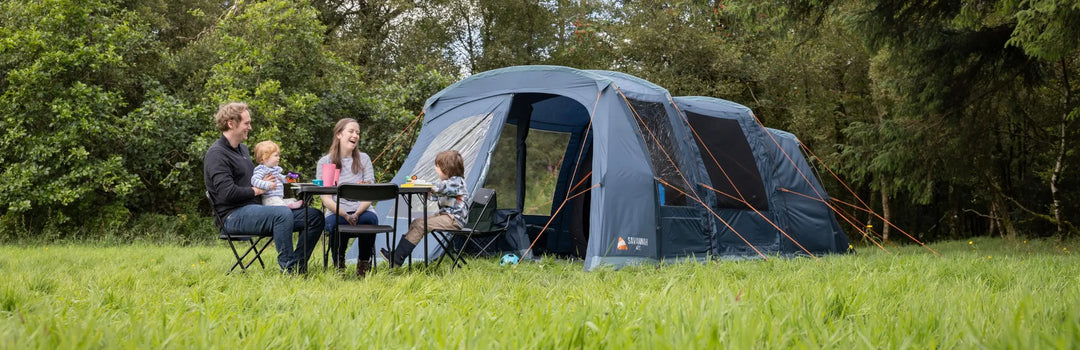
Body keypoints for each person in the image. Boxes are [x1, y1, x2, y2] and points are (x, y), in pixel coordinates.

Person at [203, 102, 323, 273]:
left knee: (314, 216)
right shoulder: (217, 154)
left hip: (257, 209)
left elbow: (254, 179)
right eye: (246, 123)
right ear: (231, 123)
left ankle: (298, 266)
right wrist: (257, 190)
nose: (250, 127)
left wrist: (270, 183)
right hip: (232, 216)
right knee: (281, 214)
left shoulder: (242, 150)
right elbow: (227, 193)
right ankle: (288, 270)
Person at [381, 150, 469, 267]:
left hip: (454, 220)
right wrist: (419, 187)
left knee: (421, 224)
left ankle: (397, 259)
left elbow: (441, 188)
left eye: (437, 166)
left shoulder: (457, 182)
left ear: (446, 168)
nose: (436, 169)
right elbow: (434, 194)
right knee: (417, 222)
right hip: (445, 216)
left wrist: (423, 184)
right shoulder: (448, 184)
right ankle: (397, 255)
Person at [317, 118, 379, 276]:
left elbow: (369, 195)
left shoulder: (364, 159)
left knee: (370, 221)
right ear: (339, 134)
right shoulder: (326, 161)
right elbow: (326, 199)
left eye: (357, 132)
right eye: (351, 131)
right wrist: (345, 214)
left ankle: (363, 266)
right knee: (335, 223)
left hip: (361, 209)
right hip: (336, 210)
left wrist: (357, 213)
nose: (355, 135)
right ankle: (339, 263)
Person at [251, 140, 303, 209]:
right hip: (269, 199)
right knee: (280, 205)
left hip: (278, 197)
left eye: (278, 155)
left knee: (291, 200)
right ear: (264, 158)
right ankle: (287, 207)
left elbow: (282, 178)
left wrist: (293, 178)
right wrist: (267, 185)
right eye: (276, 155)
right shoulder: (261, 170)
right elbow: (254, 180)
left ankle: (290, 204)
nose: (278, 158)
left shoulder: (275, 170)